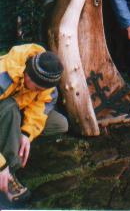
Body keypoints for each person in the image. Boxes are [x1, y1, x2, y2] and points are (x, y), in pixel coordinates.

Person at [0, 43, 68, 204]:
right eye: (37, 88)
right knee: (9, 108)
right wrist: (1, 166)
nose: (39, 91)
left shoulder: (45, 76)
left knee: (59, 124)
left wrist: (26, 133)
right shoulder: (3, 76)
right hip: (7, 109)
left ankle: (12, 139)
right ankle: (9, 172)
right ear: (27, 76)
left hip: (18, 109)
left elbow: (40, 107)